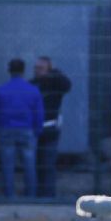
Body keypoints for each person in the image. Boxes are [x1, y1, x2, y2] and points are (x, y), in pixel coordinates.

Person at [0, 58, 44, 198]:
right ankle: (31, 196)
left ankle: (9, 196)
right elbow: (39, 114)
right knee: (30, 166)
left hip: (6, 131)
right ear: (23, 71)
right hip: (27, 131)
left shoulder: (0, 90)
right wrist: (37, 131)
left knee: (7, 167)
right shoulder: (33, 90)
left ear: (9, 71)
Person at [30, 56, 72, 198]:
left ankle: (47, 196)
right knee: (34, 164)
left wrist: (54, 71)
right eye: (36, 68)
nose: (37, 71)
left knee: (47, 164)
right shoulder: (32, 84)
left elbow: (67, 85)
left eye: (41, 68)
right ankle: (36, 195)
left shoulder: (56, 84)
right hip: (33, 130)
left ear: (49, 70)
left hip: (50, 128)